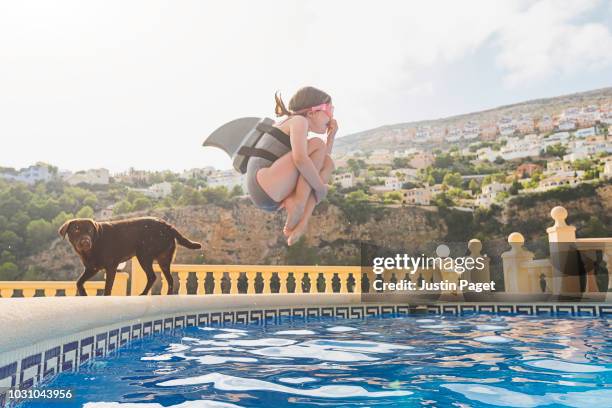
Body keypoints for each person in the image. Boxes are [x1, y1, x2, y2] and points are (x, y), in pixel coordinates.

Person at [245, 86, 337, 246]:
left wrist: (331, 137)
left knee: (328, 163)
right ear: (312, 112)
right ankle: (298, 204)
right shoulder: (298, 121)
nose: (332, 116)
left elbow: (322, 161)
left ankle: (301, 224)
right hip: (262, 182)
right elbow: (300, 159)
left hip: (271, 192)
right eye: (329, 109)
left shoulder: (300, 125)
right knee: (316, 144)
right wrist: (320, 188)